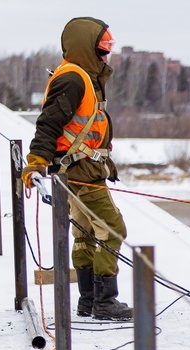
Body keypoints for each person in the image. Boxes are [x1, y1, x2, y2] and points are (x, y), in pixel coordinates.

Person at [21, 17, 132, 321]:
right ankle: (105, 302)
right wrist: (36, 164)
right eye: (101, 50)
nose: (105, 57)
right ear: (87, 48)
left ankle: (87, 300)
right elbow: (48, 125)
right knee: (111, 229)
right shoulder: (73, 79)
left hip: (77, 172)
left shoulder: (81, 76)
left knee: (84, 232)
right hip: (82, 172)